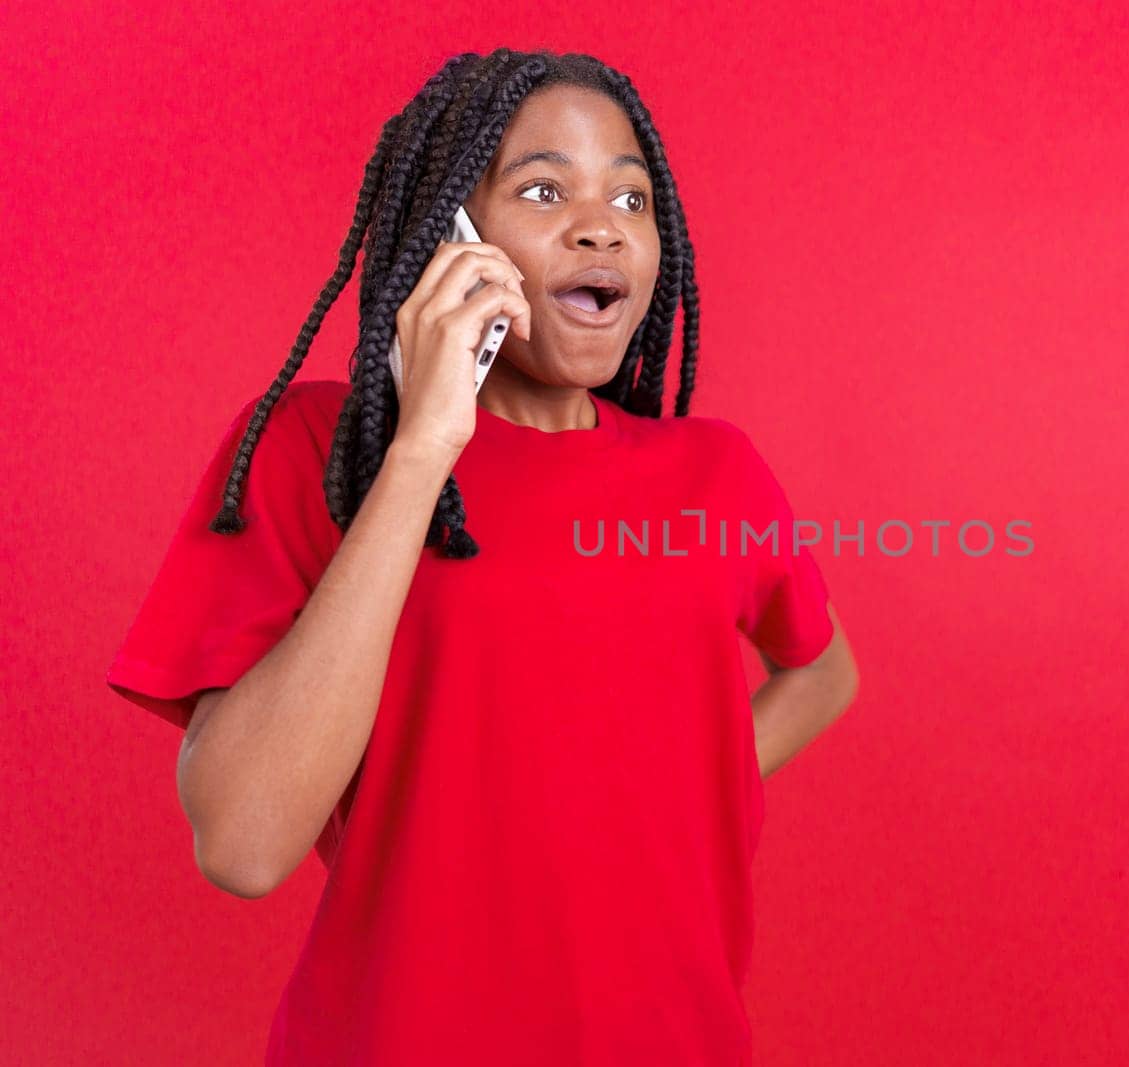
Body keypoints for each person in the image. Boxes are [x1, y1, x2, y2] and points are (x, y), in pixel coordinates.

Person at [105, 48, 859, 1066]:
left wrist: (683, 780)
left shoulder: (712, 475)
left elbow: (822, 667)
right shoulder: (316, 451)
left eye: (629, 198)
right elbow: (241, 843)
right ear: (447, 235)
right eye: (543, 189)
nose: (600, 224)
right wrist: (421, 451)